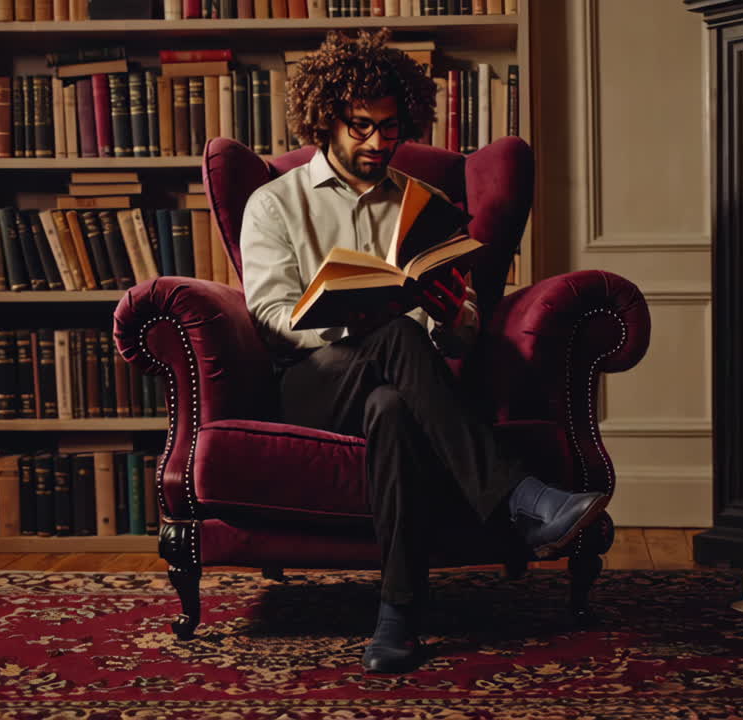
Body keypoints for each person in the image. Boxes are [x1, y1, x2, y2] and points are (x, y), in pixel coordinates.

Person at [239, 28, 608, 674]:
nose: (379, 143)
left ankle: (399, 615)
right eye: (362, 127)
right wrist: (354, 326)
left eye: (390, 128)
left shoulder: (425, 208)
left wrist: (450, 316)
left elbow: (462, 334)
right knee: (393, 338)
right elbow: (269, 316)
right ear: (328, 119)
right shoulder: (274, 204)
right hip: (310, 384)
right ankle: (522, 497)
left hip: (402, 384)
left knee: (393, 407)